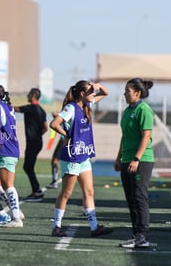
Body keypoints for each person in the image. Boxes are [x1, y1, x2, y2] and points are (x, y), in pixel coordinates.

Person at [49, 80, 113, 238]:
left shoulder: (87, 105)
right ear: (82, 94)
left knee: (89, 192)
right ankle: (56, 226)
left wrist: (97, 86)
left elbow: (106, 93)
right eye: (90, 92)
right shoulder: (71, 108)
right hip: (72, 157)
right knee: (66, 193)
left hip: (84, 156)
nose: (93, 95)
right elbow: (54, 123)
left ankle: (94, 227)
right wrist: (66, 135)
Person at [114, 78, 155, 248]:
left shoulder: (144, 110)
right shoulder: (127, 111)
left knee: (139, 197)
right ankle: (135, 233)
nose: (124, 94)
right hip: (126, 160)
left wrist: (136, 158)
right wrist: (119, 157)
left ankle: (142, 235)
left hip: (142, 160)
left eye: (127, 91)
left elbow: (146, 135)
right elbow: (124, 136)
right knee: (130, 198)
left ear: (137, 93)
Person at [0, 84, 23, 228]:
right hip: (10, 148)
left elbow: (0, 124)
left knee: (8, 185)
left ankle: (16, 218)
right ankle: (16, 210)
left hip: (5, 148)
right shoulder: (8, 107)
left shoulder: (0, 108)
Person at [14, 88, 48, 201]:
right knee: (29, 167)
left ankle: (37, 191)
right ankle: (36, 190)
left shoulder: (30, 108)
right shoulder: (42, 110)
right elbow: (45, 128)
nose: (27, 95)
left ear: (33, 95)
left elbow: (14, 109)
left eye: (29, 94)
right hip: (37, 142)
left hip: (33, 142)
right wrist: (38, 135)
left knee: (27, 167)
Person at [46, 112, 65, 189]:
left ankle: (54, 182)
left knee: (55, 161)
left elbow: (54, 114)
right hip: (65, 140)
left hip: (64, 140)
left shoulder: (70, 110)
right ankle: (54, 181)